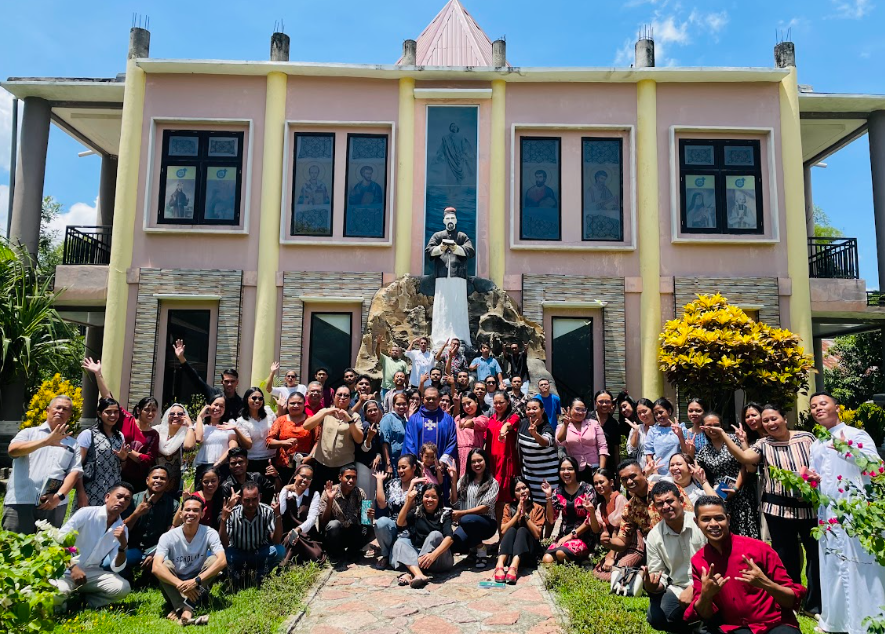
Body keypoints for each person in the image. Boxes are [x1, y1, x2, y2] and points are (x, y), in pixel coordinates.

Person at [703, 404, 820, 615]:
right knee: (786, 556)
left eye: (774, 418)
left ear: (784, 418)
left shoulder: (807, 437)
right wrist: (724, 435)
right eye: (766, 421)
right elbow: (745, 458)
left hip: (809, 507)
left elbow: (820, 464)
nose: (770, 423)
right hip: (777, 508)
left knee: (814, 555)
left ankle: (814, 604)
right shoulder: (763, 443)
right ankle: (791, 598)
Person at [806, 392, 885, 634]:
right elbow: (817, 477)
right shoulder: (816, 443)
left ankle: (867, 620)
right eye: (813, 406)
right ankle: (835, 621)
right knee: (832, 565)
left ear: (837, 407)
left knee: (861, 566)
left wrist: (846, 449)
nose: (818, 408)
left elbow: (876, 467)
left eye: (823, 403)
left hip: (856, 511)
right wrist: (811, 478)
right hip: (829, 514)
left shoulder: (855, 435)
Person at [684, 496, 806, 634]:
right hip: (734, 628)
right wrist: (706, 595)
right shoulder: (699, 560)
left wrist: (766, 583)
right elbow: (705, 615)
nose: (713, 524)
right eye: (706, 519)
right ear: (697, 522)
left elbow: (791, 601)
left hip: (773, 624)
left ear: (728, 519)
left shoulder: (759, 549)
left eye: (719, 518)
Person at [3, 395, 82, 533]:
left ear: (70, 415)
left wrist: (59, 497)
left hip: (54, 505)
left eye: (65, 409)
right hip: (21, 501)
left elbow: (74, 472)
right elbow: (13, 450)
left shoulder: (73, 443)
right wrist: (46, 441)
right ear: (47, 410)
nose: (60, 411)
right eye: (58, 407)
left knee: (48, 546)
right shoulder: (29, 433)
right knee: (14, 545)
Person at [82, 358, 160, 492]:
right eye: (147, 409)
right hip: (114, 473)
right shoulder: (126, 419)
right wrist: (98, 374)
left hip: (138, 480)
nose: (150, 413)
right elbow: (108, 399)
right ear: (138, 411)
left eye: (154, 410)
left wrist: (128, 452)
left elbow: (149, 460)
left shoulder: (154, 435)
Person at [52, 482, 133, 610]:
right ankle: (63, 602)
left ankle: (86, 603)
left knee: (123, 588)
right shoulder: (86, 514)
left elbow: (116, 567)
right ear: (107, 497)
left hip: (91, 573)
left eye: (127, 499)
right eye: (119, 496)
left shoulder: (122, 530)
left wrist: (123, 545)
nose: (122, 501)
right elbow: (58, 541)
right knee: (57, 594)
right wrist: (73, 567)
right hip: (66, 569)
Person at [643, 481, 706, 633]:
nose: (666, 506)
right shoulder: (654, 536)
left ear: (681, 500)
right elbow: (659, 575)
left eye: (670, 501)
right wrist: (651, 585)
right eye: (660, 504)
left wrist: (695, 588)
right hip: (679, 588)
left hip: (708, 583)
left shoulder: (701, 523)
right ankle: (693, 626)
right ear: (655, 507)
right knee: (657, 616)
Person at [153, 495, 227, 626]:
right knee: (165, 565)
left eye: (195, 510)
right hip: (175, 586)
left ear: (202, 514)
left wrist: (195, 581)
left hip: (199, 584)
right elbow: (156, 567)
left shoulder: (209, 533)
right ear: (181, 513)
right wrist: (180, 584)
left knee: (213, 560)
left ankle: (183, 609)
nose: (191, 513)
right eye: (187, 510)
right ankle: (187, 608)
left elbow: (222, 561)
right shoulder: (168, 536)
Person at [695, 412, 759, 538]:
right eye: (708, 426)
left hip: (741, 491)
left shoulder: (734, 440)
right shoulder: (704, 451)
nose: (713, 429)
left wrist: (736, 487)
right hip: (720, 494)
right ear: (703, 427)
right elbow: (696, 468)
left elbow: (744, 465)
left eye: (716, 425)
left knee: (744, 531)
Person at [610, 460, 692, 553]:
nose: (629, 482)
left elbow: (690, 518)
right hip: (658, 551)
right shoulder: (630, 508)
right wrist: (608, 542)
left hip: (686, 542)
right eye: (624, 479)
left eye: (633, 476)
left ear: (643, 473)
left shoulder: (669, 491)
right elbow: (623, 541)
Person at [426, 208, 475, 347]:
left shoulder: (462, 236)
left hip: (458, 276)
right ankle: (439, 336)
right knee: (442, 305)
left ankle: (460, 336)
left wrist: (456, 248)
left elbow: (470, 251)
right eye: (448, 219)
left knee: (458, 304)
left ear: (456, 220)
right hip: (441, 276)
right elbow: (429, 251)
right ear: (444, 221)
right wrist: (441, 248)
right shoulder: (437, 236)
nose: (450, 221)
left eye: (452, 219)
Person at [219, 481, 284, 587]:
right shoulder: (232, 513)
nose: (251, 504)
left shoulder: (268, 511)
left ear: (260, 497)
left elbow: (276, 541)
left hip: (259, 553)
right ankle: (236, 576)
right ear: (240, 499)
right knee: (219, 555)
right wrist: (223, 520)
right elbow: (224, 544)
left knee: (280, 550)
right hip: (237, 553)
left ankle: (260, 575)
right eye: (247, 500)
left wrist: (278, 516)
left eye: (254, 499)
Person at [390, 483, 455, 588]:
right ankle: (419, 575)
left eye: (434, 497)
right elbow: (400, 523)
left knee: (435, 535)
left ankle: (410, 573)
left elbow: (450, 538)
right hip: (420, 556)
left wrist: (433, 555)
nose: (429, 500)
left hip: (439, 559)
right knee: (400, 542)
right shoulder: (417, 511)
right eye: (426, 496)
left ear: (439, 499)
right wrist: (408, 501)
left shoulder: (445, 513)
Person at [121, 465, 179, 578]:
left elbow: (171, 535)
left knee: (171, 563)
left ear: (168, 483)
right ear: (147, 480)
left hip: (158, 549)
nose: (158, 481)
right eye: (155, 477)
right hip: (133, 548)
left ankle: (149, 575)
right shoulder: (133, 500)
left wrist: (156, 552)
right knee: (109, 563)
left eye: (163, 478)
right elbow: (122, 529)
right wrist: (136, 513)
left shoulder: (173, 504)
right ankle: (128, 576)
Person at [304, 386, 365, 494]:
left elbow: (359, 439)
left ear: (350, 399)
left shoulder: (354, 416)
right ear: (334, 396)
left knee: (341, 496)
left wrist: (349, 420)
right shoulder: (325, 412)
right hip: (322, 463)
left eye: (346, 395)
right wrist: (325, 413)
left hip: (344, 465)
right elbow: (306, 426)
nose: (342, 397)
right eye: (339, 394)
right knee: (318, 494)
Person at [541, 456, 600, 565]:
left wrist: (571, 535)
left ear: (576, 471)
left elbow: (589, 520)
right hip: (563, 536)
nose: (566, 472)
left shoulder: (587, 489)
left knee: (560, 554)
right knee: (547, 559)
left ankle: (583, 560)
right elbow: (551, 519)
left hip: (583, 536)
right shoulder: (557, 491)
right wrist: (548, 496)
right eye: (562, 469)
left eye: (570, 469)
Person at [74, 398, 129, 511]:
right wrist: (81, 493)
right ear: (99, 414)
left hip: (113, 490)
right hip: (91, 490)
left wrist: (123, 458)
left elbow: (120, 468)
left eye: (116, 412)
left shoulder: (120, 436)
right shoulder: (88, 434)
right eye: (108, 412)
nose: (112, 415)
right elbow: (77, 466)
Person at [592, 468, 643, 582]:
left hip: (632, 544)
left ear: (611, 482)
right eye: (596, 483)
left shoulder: (619, 499)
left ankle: (639, 575)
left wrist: (611, 555)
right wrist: (591, 512)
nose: (599, 486)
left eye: (601, 482)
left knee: (614, 574)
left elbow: (618, 529)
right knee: (597, 572)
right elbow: (596, 529)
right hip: (617, 546)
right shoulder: (601, 506)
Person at [373, 453, 423, 570]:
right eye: (399, 467)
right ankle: (385, 554)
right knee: (381, 522)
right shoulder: (392, 484)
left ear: (413, 467)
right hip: (392, 526)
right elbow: (381, 504)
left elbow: (408, 506)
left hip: (409, 529)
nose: (400, 471)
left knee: (396, 564)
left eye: (404, 467)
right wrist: (379, 481)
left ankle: (393, 552)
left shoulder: (420, 486)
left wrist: (412, 485)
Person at [173, 339, 242, 422]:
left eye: (232, 381)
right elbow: (196, 379)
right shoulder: (214, 393)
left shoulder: (241, 403)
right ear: (222, 382)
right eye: (227, 381)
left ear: (237, 382)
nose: (229, 384)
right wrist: (181, 358)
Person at [451, 448, 499, 568]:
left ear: (485, 461)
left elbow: (485, 507)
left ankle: (481, 550)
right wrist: (453, 481)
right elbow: (454, 503)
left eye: (479, 460)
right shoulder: (464, 479)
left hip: (486, 523)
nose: (477, 464)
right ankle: (473, 547)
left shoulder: (492, 482)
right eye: (473, 461)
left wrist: (462, 513)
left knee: (466, 519)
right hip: (466, 523)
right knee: (455, 545)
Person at [495, 476, 544, 584]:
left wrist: (525, 515)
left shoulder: (538, 508)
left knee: (522, 530)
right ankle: (499, 564)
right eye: (518, 490)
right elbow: (503, 531)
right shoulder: (508, 507)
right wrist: (517, 514)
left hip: (529, 553)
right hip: (511, 551)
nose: (522, 492)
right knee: (511, 530)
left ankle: (514, 566)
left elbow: (537, 535)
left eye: (524, 488)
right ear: (514, 494)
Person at [318, 464, 371, 564]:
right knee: (333, 525)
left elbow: (366, 521)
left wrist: (369, 516)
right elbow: (323, 522)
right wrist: (330, 500)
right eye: (348, 477)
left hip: (351, 532)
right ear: (340, 477)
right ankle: (336, 554)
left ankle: (353, 552)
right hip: (335, 535)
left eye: (354, 477)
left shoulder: (361, 492)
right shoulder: (328, 491)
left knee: (370, 529)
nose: (351, 480)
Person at [487, 391, 521, 528]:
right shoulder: (491, 418)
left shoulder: (514, 417)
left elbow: (508, 426)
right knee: (494, 498)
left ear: (508, 402)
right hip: (492, 463)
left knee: (505, 499)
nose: (498, 405)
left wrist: (503, 431)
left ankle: (505, 532)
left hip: (506, 463)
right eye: (495, 402)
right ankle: (498, 529)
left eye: (501, 402)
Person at [278, 464, 324, 564]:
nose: (305, 480)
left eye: (309, 478)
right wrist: (284, 489)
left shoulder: (314, 494)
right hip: (288, 532)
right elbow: (281, 511)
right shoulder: (286, 492)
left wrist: (298, 530)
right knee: (291, 540)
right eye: (303, 476)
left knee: (316, 554)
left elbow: (312, 519)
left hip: (306, 534)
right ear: (295, 476)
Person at [402, 387, 458, 469]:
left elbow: (452, 441)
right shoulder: (414, 419)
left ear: (439, 399)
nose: (431, 401)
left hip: (441, 467)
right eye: (428, 398)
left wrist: (443, 460)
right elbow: (409, 443)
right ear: (422, 399)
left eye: (434, 399)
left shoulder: (448, 420)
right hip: (419, 466)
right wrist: (416, 462)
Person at [267, 391, 315, 485]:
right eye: (292, 403)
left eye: (299, 403)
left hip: (305, 466)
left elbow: (318, 441)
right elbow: (269, 441)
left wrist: (310, 457)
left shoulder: (311, 420)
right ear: (287, 405)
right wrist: (283, 442)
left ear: (304, 405)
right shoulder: (281, 420)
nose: (296, 406)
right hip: (283, 466)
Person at [556, 397, 608, 482]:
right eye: (577, 409)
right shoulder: (561, 426)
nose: (580, 412)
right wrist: (565, 425)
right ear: (570, 409)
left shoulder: (593, 424)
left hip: (594, 467)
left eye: (583, 410)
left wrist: (601, 471)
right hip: (575, 469)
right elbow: (560, 442)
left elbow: (603, 447)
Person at [518, 397, 560, 503]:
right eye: (528, 409)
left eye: (534, 408)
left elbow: (545, 442)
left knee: (549, 507)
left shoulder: (547, 427)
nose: (531, 411)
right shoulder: (523, 424)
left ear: (542, 410)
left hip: (548, 478)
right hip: (529, 478)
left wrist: (535, 434)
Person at [193, 394, 237, 484]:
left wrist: (218, 463)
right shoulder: (202, 425)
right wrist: (200, 417)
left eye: (221, 406)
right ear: (209, 406)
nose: (217, 408)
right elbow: (198, 439)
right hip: (203, 466)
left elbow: (233, 447)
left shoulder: (229, 424)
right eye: (215, 404)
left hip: (222, 466)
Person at [154, 404, 196, 496]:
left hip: (173, 481)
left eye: (180, 414)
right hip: (155, 477)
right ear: (167, 415)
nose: (176, 416)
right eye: (172, 413)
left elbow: (188, 446)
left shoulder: (187, 433)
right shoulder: (157, 430)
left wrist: (190, 425)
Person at [234, 387, 277, 473]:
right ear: (246, 399)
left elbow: (278, 427)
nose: (257, 401)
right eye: (254, 398)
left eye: (260, 398)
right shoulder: (241, 421)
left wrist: (281, 407)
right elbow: (248, 445)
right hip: (253, 460)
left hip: (272, 458)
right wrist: (235, 429)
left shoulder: (268, 411)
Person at [644, 398, 691, 477]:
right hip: (658, 474)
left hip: (678, 473)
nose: (659, 416)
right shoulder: (653, 431)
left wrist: (680, 436)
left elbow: (686, 453)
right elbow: (649, 454)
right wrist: (656, 474)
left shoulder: (681, 428)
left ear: (669, 411)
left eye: (661, 412)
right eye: (656, 414)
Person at [588, 389, 626, 467]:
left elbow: (616, 449)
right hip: (588, 464)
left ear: (611, 403)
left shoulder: (614, 423)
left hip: (608, 466)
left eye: (607, 402)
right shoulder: (587, 418)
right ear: (595, 402)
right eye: (601, 402)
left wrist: (617, 470)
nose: (604, 404)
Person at [356, 400, 385, 501]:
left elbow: (377, 447)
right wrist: (369, 438)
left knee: (372, 494)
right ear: (365, 413)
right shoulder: (365, 425)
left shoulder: (375, 425)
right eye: (370, 411)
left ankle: (369, 512)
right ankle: (365, 512)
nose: (373, 412)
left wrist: (378, 456)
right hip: (363, 466)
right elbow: (362, 449)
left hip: (372, 466)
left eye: (375, 410)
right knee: (364, 495)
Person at [455, 392, 489, 475]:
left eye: (469, 403)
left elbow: (474, 423)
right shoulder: (458, 418)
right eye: (463, 404)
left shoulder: (482, 418)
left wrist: (465, 424)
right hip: (458, 455)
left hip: (474, 455)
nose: (467, 407)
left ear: (476, 401)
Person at [380, 392, 409, 471]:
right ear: (393, 405)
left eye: (404, 404)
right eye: (398, 404)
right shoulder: (388, 419)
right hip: (392, 461)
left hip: (403, 460)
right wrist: (388, 463)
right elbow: (385, 442)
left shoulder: (406, 421)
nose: (401, 406)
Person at [374, 334, 409, 400]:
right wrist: (378, 344)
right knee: (385, 404)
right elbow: (378, 353)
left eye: (396, 351)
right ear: (390, 352)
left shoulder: (403, 363)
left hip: (398, 388)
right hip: (386, 388)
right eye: (393, 350)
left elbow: (406, 376)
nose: (394, 352)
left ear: (399, 353)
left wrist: (406, 387)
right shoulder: (385, 359)